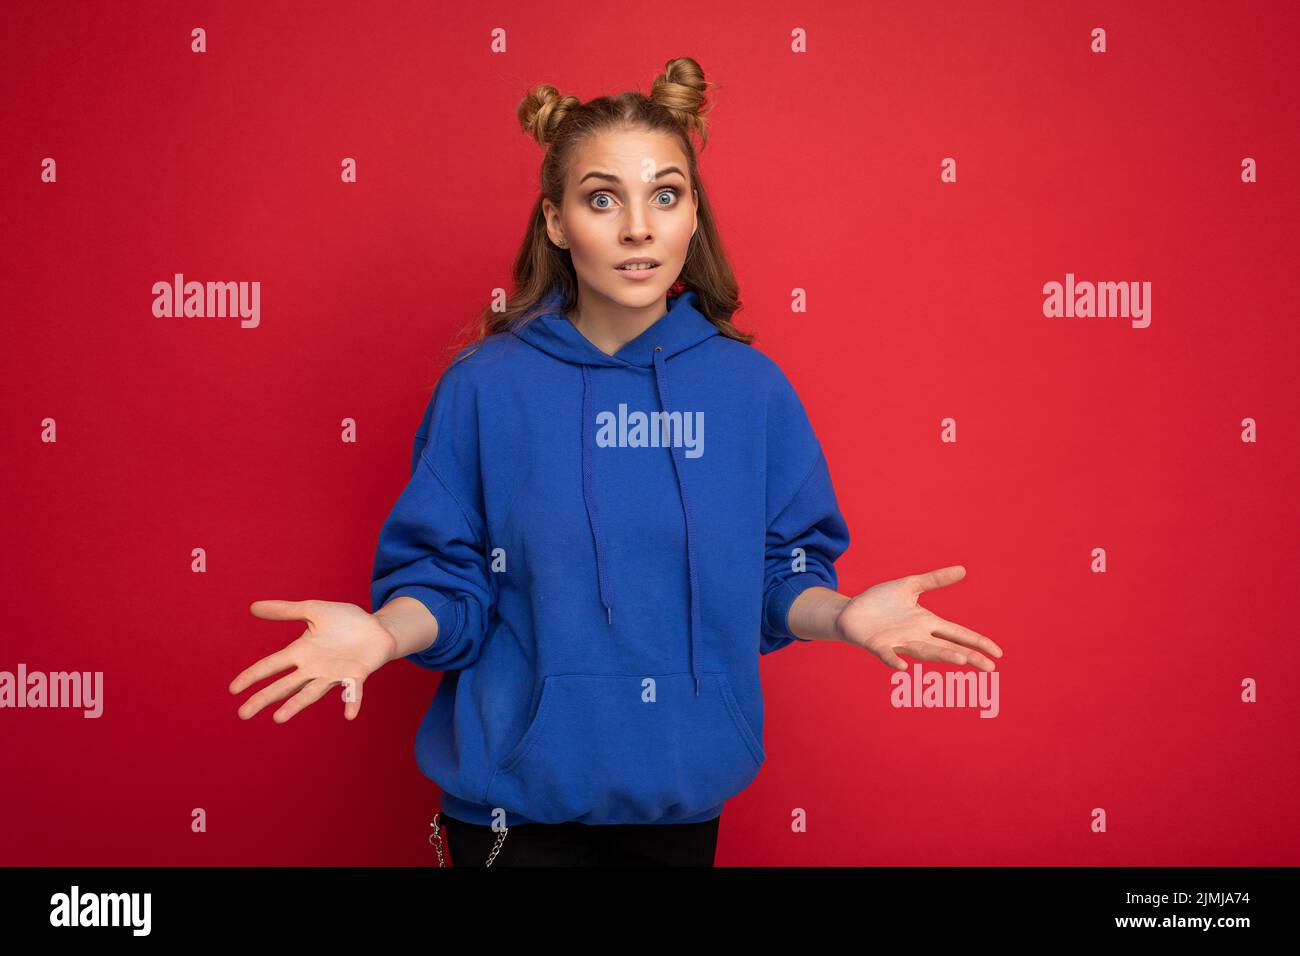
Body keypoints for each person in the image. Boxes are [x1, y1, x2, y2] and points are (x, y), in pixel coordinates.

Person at [228, 56, 1002, 867]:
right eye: (604, 199)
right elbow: (450, 583)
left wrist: (840, 615)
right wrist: (381, 636)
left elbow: (778, 576)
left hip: (682, 812)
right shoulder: (486, 388)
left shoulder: (750, 390)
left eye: (665, 195)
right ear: (557, 222)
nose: (639, 227)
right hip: (510, 821)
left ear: (692, 214)